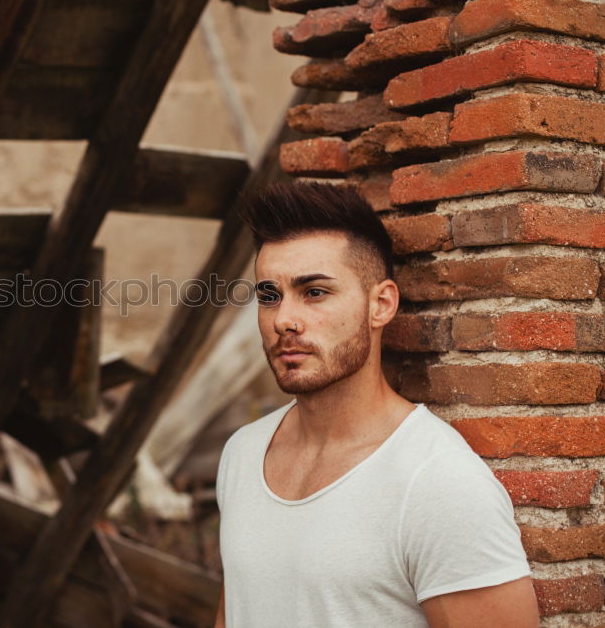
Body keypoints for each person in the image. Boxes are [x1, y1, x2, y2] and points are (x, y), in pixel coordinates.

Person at [214, 181, 538, 627]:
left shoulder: (439, 482)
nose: (283, 319)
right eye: (270, 295)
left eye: (314, 292)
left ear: (380, 304)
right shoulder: (243, 454)